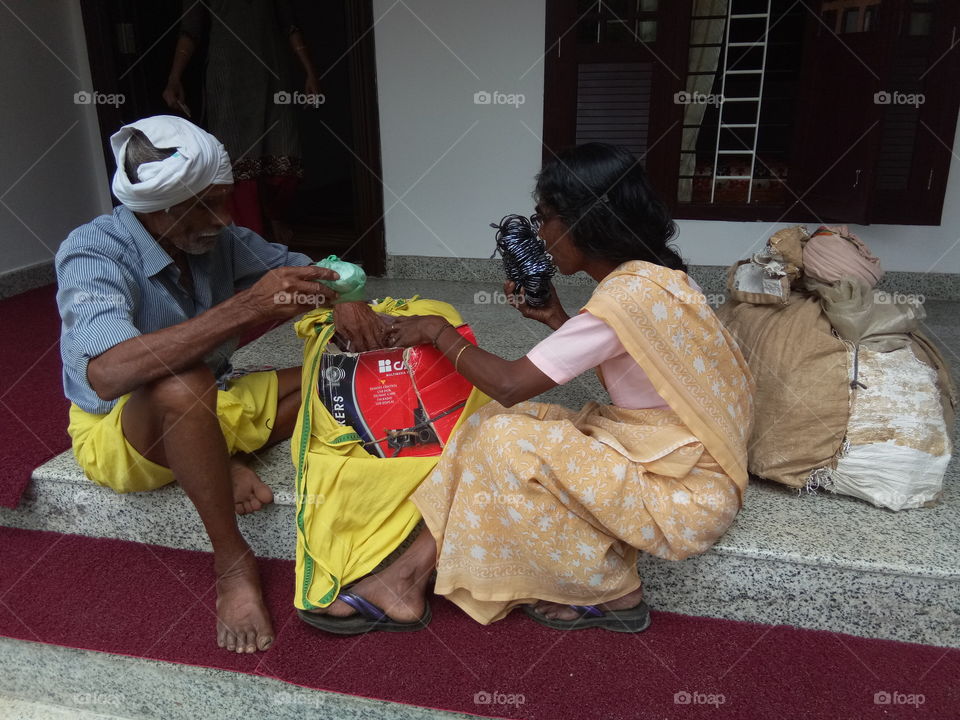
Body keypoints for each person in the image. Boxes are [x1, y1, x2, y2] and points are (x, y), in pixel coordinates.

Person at [297, 143, 755, 634]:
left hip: (684, 496)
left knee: (505, 438)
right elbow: (632, 368)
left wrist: (435, 331)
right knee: (487, 423)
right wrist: (558, 319)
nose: (540, 233)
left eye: (544, 217)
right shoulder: (655, 281)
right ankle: (406, 579)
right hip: (677, 462)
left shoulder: (625, 297)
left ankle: (615, 592)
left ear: (584, 222)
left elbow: (510, 383)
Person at [55, 115, 347, 654]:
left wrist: (340, 297)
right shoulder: (94, 250)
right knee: (180, 384)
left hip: (214, 398)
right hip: (119, 429)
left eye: (225, 199)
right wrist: (248, 307)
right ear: (155, 209)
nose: (224, 218)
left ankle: (210, 455)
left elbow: (309, 272)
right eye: (205, 205)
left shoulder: (223, 239)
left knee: (336, 374)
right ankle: (233, 563)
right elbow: (109, 373)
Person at [162, 0, 319, 240]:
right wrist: (175, 77)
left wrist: (310, 72)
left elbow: (290, 26)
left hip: (271, 76)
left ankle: (275, 217)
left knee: (284, 167)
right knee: (240, 168)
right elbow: (189, 31)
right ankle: (253, 248)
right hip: (227, 78)